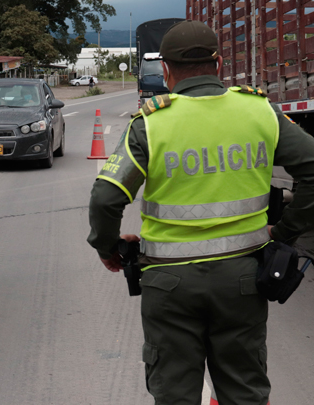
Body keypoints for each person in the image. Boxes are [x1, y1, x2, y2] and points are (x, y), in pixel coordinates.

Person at [87, 20, 314, 405]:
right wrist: (284, 233)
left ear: (166, 70)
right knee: (245, 393)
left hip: (168, 286)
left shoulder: (152, 124)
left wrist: (108, 248)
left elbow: (106, 199)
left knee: (175, 396)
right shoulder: (260, 111)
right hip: (243, 279)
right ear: (220, 64)